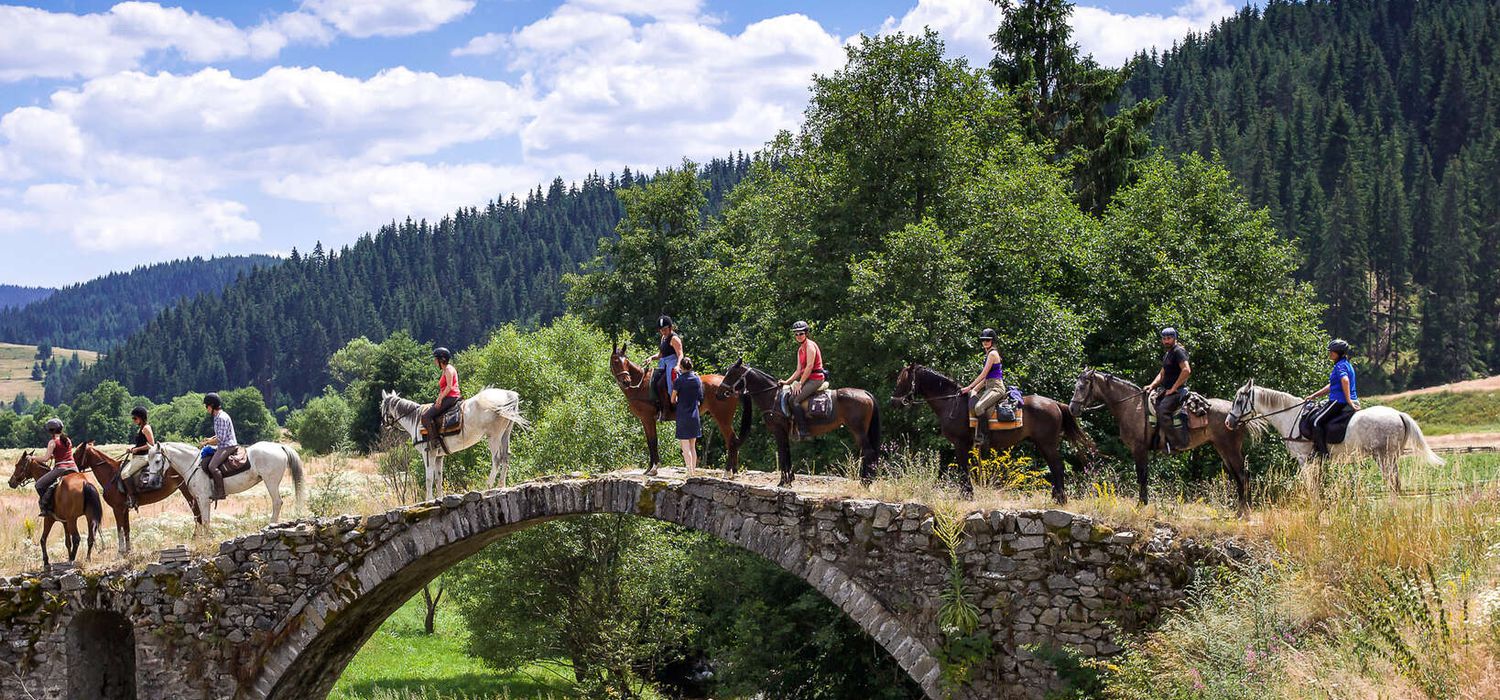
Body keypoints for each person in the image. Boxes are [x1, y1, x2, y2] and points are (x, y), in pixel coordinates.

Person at [1303, 339, 1360, 457]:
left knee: (1316, 422)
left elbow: (1345, 380)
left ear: (1339, 353)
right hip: (1341, 399)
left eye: (1332, 351)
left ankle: (1323, 454)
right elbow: (1332, 386)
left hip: (1339, 401)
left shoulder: (1340, 366)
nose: (1330, 353)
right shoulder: (1346, 364)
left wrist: (1348, 400)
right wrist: (1314, 395)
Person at [1143, 327, 1192, 451]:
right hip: (1167, 390)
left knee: (1162, 411)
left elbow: (1186, 370)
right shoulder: (1168, 354)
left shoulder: (1178, 351)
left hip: (1177, 391)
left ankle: (1174, 443)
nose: (1166, 341)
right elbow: (1162, 374)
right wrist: (1152, 385)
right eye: (1164, 339)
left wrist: (1173, 388)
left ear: (1175, 338)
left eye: (1169, 338)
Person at [782, 320, 826, 440]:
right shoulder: (800, 349)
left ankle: (804, 431)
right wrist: (786, 382)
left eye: (800, 333)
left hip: (816, 379)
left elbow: (809, 366)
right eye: (796, 334)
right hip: (807, 379)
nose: (798, 336)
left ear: (806, 333)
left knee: (795, 400)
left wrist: (800, 383)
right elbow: (798, 370)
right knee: (789, 397)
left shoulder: (810, 346)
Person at [962, 328, 1007, 442]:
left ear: (992, 341)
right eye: (983, 340)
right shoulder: (989, 353)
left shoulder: (992, 354)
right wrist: (975, 390)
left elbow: (983, 375)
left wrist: (969, 387)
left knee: (979, 407)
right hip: (989, 386)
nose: (985, 342)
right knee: (973, 399)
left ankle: (984, 436)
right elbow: (986, 379)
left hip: (996, 388)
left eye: (988, 340)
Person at [33, 418, 78, 517]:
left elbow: (45, 459)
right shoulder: (68, 440)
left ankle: (47, 507)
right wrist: (55, 455)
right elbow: (64, 452)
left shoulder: (52, 442)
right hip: (74, 468)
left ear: (50, 431)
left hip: (61, 468)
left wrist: (32, 457)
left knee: (39, 485)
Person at [199, 392, 240, 501]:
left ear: (211, 406)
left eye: (206, 406)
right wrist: (209, 439)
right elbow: (219, 434)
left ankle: (220, 492)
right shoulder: (218, 416)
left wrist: (207, 443)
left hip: (227, 446)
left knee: (212, 466)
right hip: (224, 445)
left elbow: (220, 439)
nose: (206, 408)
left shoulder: (221, 418)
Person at [421, 347, 461, 454]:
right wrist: (439, 398)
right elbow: (443, 388)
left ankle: (435, 442)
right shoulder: (446, 369)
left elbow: (449, 387)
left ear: (441, 360)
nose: (434, 361)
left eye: (436, 359)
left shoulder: (448, 369)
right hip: (449, 396)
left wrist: (440, 399)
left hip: (450, 397)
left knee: (426, 416)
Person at [646, 315, 685, 421]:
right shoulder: (663, 338)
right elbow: (660, 355)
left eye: (665, 329)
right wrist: (651, 358)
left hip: (674, 363)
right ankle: (660, 408)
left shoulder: (674, 338)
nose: (663, 332)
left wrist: (677, 365)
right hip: (664, 363)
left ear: (670, 328)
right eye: (661, 330)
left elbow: (680, 354)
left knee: (669, 384)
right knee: (654, 382)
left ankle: (674, 406)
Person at [119, 405, 156, 508]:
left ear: (141, 417)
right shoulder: (141, 428)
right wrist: (132, 449)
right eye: (133, 418)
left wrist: (136, 449)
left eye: (135, 418)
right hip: (138, 456)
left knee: (125, 473)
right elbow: (141, 443)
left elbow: (151, 445)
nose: (133, 420)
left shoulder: (146, 428)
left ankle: (133, 498)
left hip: (144, 457)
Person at [672, 357, 703, 474]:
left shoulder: (679, 381)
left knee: (685, 448)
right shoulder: (697, 379)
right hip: (695, 414)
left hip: (683, 415)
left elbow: (672, 399)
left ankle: (689, 472)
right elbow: (700, 397)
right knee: (692, 446)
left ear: (681, 367)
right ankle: (693, 471)